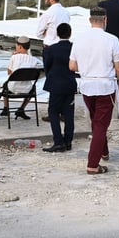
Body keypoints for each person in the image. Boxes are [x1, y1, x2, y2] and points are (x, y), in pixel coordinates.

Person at [69, 7, 119, 175]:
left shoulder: (79, 39)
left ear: (89, 20)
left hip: (87, 85)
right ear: (105, 20)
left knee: (96, 122)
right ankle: (93, 164)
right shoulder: (111, 39)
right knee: (101, 124)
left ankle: (104, 151)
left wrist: (87, 68)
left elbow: (72, 66)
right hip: (105, 85)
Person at [42, 22, 77, 153]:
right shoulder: (74, 48)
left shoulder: (51, 49)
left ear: (57, 33)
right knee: (69, 113)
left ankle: (58, 141)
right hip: (69, 83)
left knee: (53, 112)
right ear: (70, 33)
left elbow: (47, 66)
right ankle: (68, 141)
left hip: (56, 83)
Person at [0, 35, 40, 119]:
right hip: (27, 89)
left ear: (20, 46)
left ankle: (6, 108)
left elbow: (9, 73)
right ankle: (21, 109)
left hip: (12, 88)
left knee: (5, 84)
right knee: (33, 88)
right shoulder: (34, 60)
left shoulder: (14, 57)